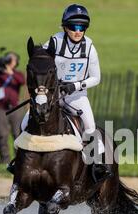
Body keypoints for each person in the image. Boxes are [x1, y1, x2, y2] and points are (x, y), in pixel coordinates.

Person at [19, 3, 112, 182]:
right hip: (52, 96)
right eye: (73, 27)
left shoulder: (90, 48)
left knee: (90, 126)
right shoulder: (55, 42)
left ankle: (97, 166)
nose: (78, 31)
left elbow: (96, 78)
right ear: (64, 27)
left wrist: (75, 86)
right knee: (24, 124)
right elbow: (41, 63)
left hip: (77, 96)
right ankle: (19, 161)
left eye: (82, 27)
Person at [0, 52, 26, 163]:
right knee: (2, 135)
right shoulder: (0, 75)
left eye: (13, 60)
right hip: (1, 108)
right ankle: (5, 160)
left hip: (15, 108)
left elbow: (22, 81)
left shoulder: (17, 74)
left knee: (17, 134)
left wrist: (10, 73)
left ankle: (18, 160)